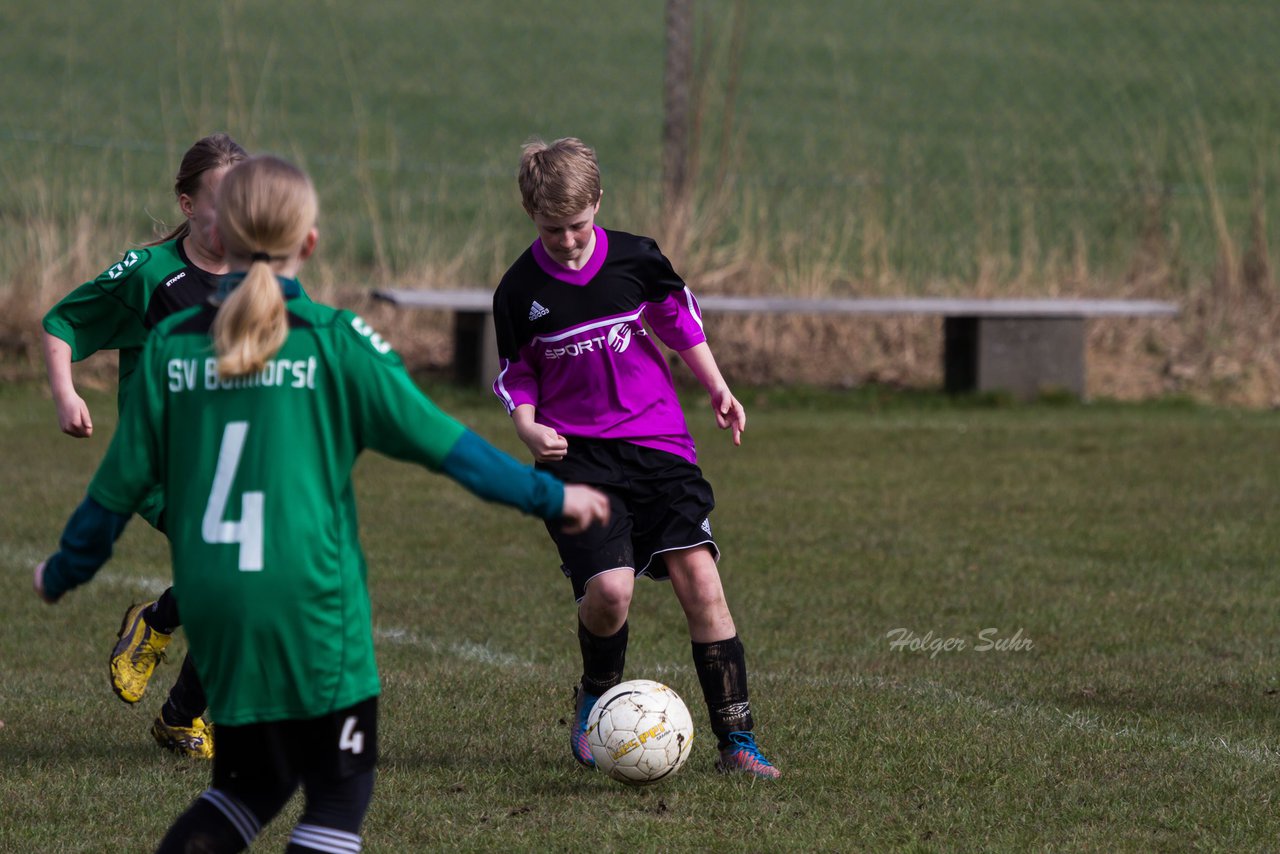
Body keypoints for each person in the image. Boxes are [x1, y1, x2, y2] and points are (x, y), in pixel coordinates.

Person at [34, 154, 610, 853]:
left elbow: (114, 491)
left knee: (246, 789)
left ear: (222, 232)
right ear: (307, 244)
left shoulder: (166, 349)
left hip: (215, 608)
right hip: (311, 604)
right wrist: (552, 496)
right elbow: (448, 447)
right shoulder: (335, 343)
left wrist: (62, 572)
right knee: (339, 793)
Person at [491, 137, 781, 779]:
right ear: (530, 216)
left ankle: (738, 743)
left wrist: (717, 387)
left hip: (658, 443)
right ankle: (597, 690)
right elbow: (517, 374)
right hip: (577, 457)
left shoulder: (636, 259)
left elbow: (680, 322)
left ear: (599, 202)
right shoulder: (519, 290)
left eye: (578, 225)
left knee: (702, 582)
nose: (567, 240)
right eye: (552, 229)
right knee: (611, 592)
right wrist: (526, 427)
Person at [41, 132, 252, 758]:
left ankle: (180, 707)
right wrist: (64, 394)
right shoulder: (147, 273)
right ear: (188, 206)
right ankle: (160, 628)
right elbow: (62, 323)